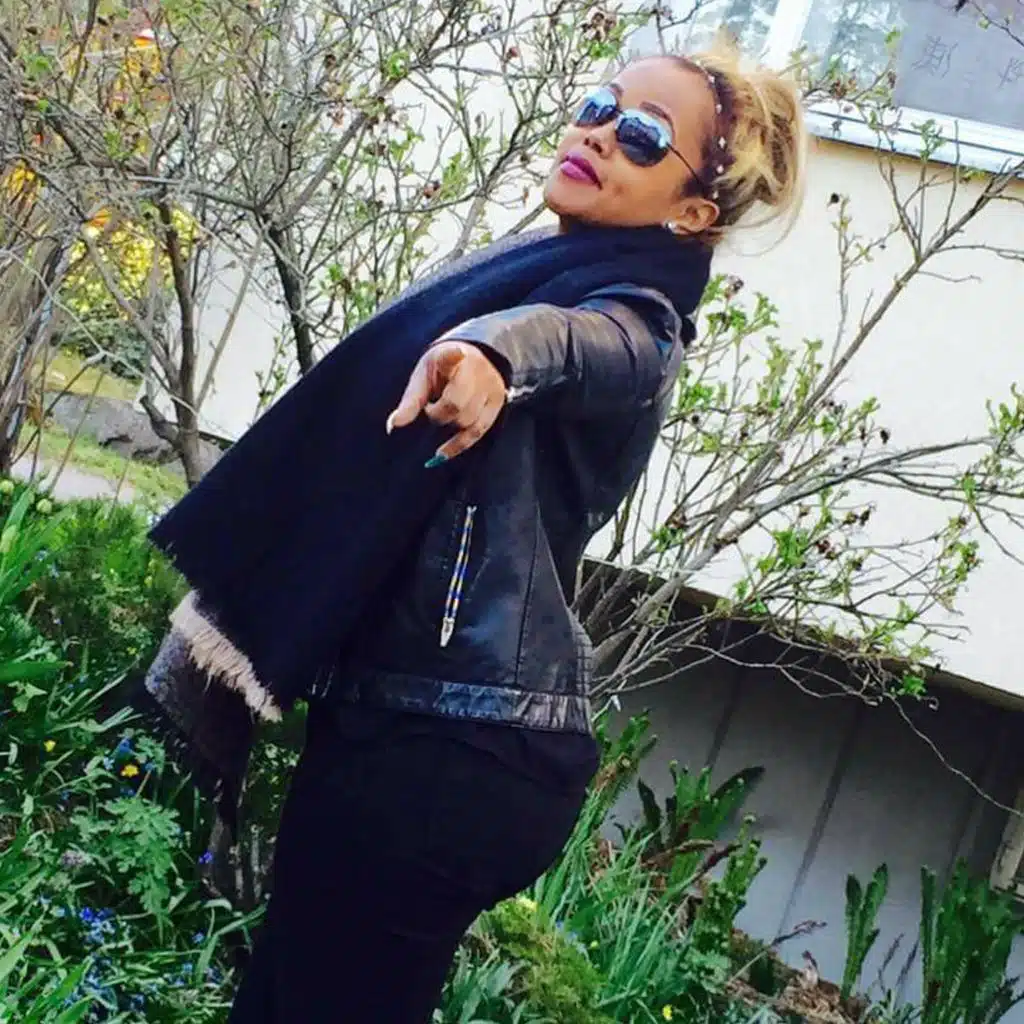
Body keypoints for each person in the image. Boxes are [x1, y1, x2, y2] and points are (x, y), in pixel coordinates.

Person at [145, 42, 804, 1024]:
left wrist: (491, 351)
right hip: (400, 726)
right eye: (599, 105)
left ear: (691, 214)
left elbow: (590, 348)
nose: (598, 133)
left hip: (458, 749)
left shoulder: (640, 316)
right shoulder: (530, 271)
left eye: (641, 135)